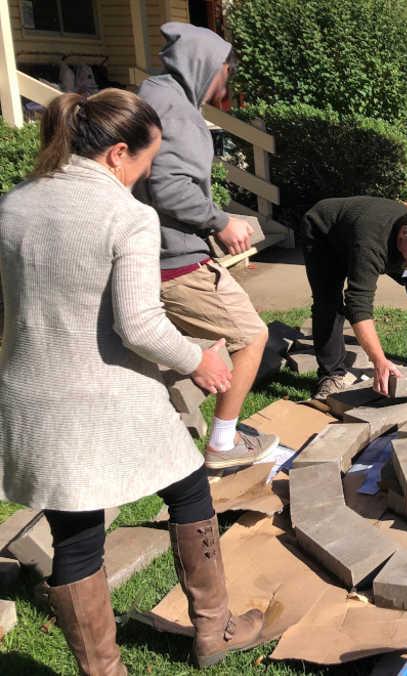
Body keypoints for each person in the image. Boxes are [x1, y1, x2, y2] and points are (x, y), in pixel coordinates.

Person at [0, 90, 265, 673]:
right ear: (119, 153)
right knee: (192, 487)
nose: (145, 177)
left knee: (75, 531)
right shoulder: (127, 215)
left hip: (31, 397)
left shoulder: (12, 205)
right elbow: (140, 324)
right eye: (146, 163)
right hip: (106, 393)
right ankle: (214, 633)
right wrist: (201, 360)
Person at [134, 22, 277, 469]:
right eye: (225, 73)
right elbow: (170, 187)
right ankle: (221, 444)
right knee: (251, 336)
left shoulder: (156, 97)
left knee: (206, 346)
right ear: (207, 66)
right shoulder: (172, 109)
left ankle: (165, 438)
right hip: (175, 260)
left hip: (157, 253)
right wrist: (220, 222)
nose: (225, 83)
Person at [300, 196, 407, 398]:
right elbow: (358, 305)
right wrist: (379, 360)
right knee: (328, 302)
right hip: (324, 234)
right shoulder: (371, 244)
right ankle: (331, 375)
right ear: (404, 234)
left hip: (367, 236)